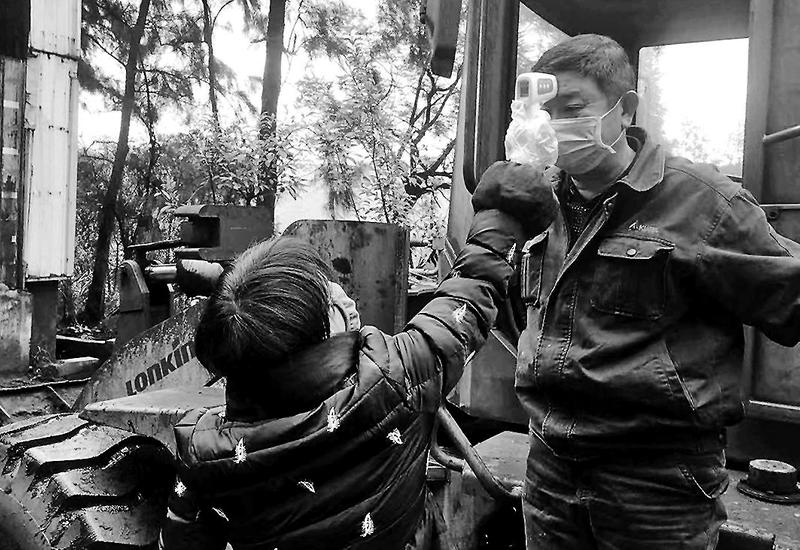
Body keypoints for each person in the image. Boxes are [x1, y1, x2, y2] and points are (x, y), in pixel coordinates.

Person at [158, 161, 557, 550]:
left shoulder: (202, 451)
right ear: (325, 331)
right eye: (330, 294)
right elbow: (469, 291)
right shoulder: (397, 377)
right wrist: (505, 203)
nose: (344, 296)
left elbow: (181, 537)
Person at [515, 33, 800, 549]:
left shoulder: (703, 202)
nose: (555, 126)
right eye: (546, 112)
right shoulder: (537, 200)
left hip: (656, 481)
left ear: (625, 110)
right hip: (550, 468)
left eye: (573, 109)